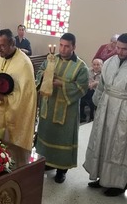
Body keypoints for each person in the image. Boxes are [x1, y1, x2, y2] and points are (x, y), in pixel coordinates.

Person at [35, 33, 89, 183]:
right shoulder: (51, 59)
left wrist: (61, 84)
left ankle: (62, 170)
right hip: (49, 105)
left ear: (73, 47)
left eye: (67, 46)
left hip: (67, 110)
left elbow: (82, 88)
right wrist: (45, 76)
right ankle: (47, 163)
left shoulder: (81, 66)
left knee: (63, 138)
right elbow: (39, 73)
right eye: (61, 45)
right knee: (47, 134)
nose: (63, 49)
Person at [84, 33, 127, 197]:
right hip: (106, 107)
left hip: (124, 112)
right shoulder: (109, 62)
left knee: (118, 147)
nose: (120, 52)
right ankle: (101, 177)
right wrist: (98, 103)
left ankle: (118, 183)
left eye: (124, 49)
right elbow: (101, 86)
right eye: (118, 48)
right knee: (102, 141)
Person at [0, 29, 37, 151]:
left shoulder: (24, 63)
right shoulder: (1, 57)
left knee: (10, 151)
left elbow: (27, 96)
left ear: (12, 43)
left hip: (13, 117)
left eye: (3, 46)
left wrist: (6, 98)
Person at [80, 58, 103, 123]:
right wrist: (88, 84)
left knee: (91, 96)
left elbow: (105, 83)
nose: (96, 66)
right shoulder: (88, 71)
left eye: (98, 65)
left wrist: (96, 83)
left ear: (102, 65)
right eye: (94, 64)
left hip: (98, 92)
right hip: (87, 90)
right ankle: (82, 116)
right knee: (81, 96)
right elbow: (83, 79)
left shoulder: (104, 73)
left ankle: (91, 116)